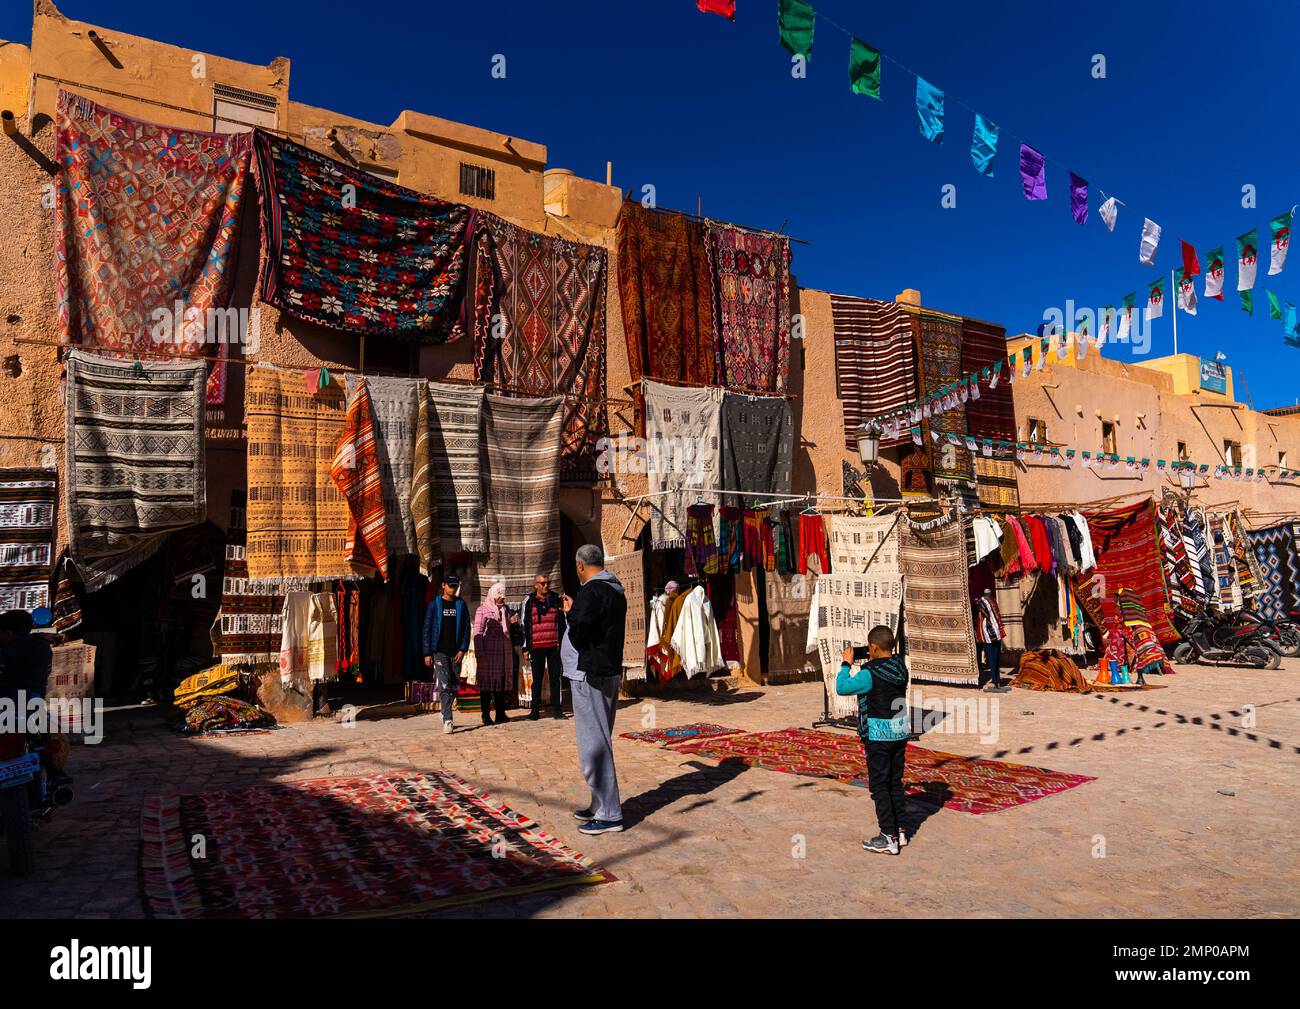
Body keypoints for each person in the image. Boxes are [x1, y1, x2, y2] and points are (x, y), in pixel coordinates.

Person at [562, 543, 627, 835]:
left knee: (594, 744)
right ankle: (598, 803)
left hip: (590, 674)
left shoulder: (592, 591)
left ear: (580, 565)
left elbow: (580, 631)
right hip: (606, 670)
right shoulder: (615, 590)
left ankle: (610, 813)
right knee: (599, 737)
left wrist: (571, 613)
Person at [837, 625, 910, 855]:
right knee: (894, 783)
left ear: (873, 647)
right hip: (899, 732)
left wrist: (846, 664)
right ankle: (899, 831)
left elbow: (842, 687)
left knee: (879, 785)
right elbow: (888, 660)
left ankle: (887, 837)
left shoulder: (869, 673)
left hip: (878, 735)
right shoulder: (900, 666)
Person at [422, 576, 470, 734]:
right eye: (450, 586)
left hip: (456, 652)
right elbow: (427, 628)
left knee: (455, 685)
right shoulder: (435, 605)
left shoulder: (461, 604)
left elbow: (466, 629)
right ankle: (448, 719)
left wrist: (463, 649)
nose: (453, 588)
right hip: (439, 651)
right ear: (443, 586)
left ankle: (444, 710)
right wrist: (427, 652)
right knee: (444, 684)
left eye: (455, 586)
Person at [520, 574, 566, 720]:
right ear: (536, 585)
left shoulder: (555, 598)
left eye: (547, 583)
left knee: (555, 678)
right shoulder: (529, 601)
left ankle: (557, 710)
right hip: (536, 646)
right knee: (537, 679)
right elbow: (524, 625)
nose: (546, 586)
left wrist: (563, 643)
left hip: (554, 645)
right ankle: (535, 711)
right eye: (542, 583)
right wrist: (526, 647)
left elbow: (563, 622)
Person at [473, 582, 518, 725]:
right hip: (488, 654)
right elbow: (478, 631)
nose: (502, 598)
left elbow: (505, 629)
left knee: (500, 684)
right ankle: (486, 715)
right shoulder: (482, 610)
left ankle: (500, 714)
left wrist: (510, 622)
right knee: (487, 685)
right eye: (499, 595)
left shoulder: (505, 610)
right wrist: (479, 652)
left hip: (503, 653)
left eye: (503, 595)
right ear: (493, 595)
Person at [0, 609, 53, 704]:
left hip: (8, 703)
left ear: (8, 633)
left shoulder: (5, 651)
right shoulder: (44, 647)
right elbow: (48, 671)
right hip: (36, 701)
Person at [974, 587, 1009, 692]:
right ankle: (995, 681)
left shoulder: (987, 602)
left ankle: (996, 681)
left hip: (992, 633)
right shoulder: (986, 603)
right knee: (994, 657)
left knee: (995, 657)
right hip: (992, 633)